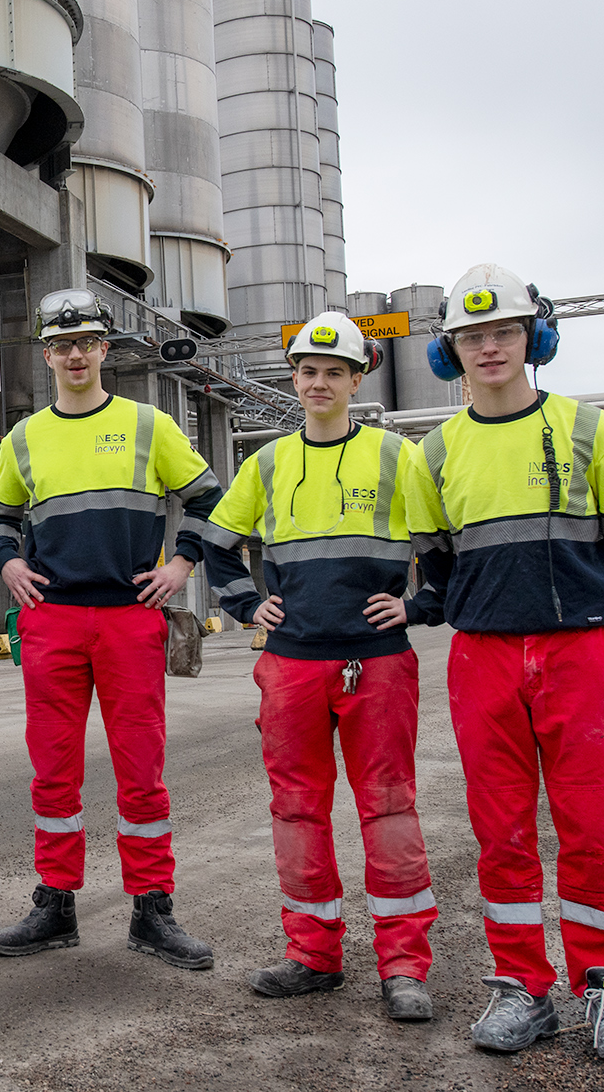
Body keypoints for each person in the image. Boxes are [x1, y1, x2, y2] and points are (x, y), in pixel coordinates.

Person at [402, 264, 604, 1061]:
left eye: (503, 331)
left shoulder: (595, 432)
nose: (489, 346)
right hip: (481, 656)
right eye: (471, 335)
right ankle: (523, 988)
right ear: (450, 351)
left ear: (534, 338)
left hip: (582, 650)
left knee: (591, 824)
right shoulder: (432, 452)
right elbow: (434, 566)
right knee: (502, 831)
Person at [201, 312, 441, 1022]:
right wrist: (249, 604)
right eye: (308, 371)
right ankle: (313, 954)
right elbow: (220, 542)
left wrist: (421, 607)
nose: (319, 383)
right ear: (294, 379)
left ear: (356, 379)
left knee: (389, 805)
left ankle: (404, 965)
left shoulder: (398, 456)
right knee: (297, 808)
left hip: (378, 663)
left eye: (334, 372)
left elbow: (446, 546)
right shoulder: (268, 462)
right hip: (293, 664)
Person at [0, 288, 225, 965]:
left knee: (141, 772)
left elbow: (209, 500)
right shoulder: (25, 438)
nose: (76, 354)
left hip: (130, 617)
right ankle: (55, 904)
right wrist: (8, 565)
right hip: (53, 620)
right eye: (62, 345)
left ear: (105, 349)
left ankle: (154, 910)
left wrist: (180, 565)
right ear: (48, 355)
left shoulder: (150, 425)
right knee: (53, 772)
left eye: (87, 341)